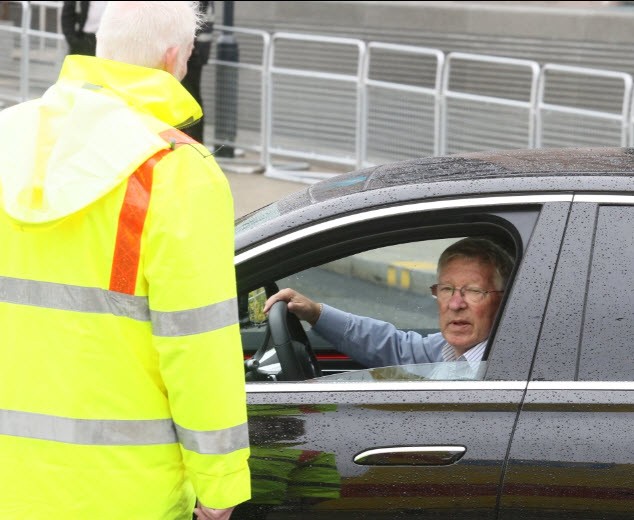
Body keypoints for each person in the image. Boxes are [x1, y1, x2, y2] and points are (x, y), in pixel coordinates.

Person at [0, 2, 250, 519]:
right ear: (173, 57)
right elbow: (198, 347)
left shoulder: (7, 139)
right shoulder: (175, 171)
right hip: (124, 492)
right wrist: (219, 483)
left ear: (101, 44)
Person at [264, 237, 514, 368]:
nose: (455, 304)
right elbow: (394, 346)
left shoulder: (511, 368)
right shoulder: (444, 351)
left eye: (473, 291)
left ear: (503, 301)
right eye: (447, 289)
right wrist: (316, 313)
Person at [181, 1, 214, 143]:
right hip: (193, 51)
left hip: (192, 53)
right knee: (190, 97)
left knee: (190, 97)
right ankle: (193, 141)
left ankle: (193, 141)